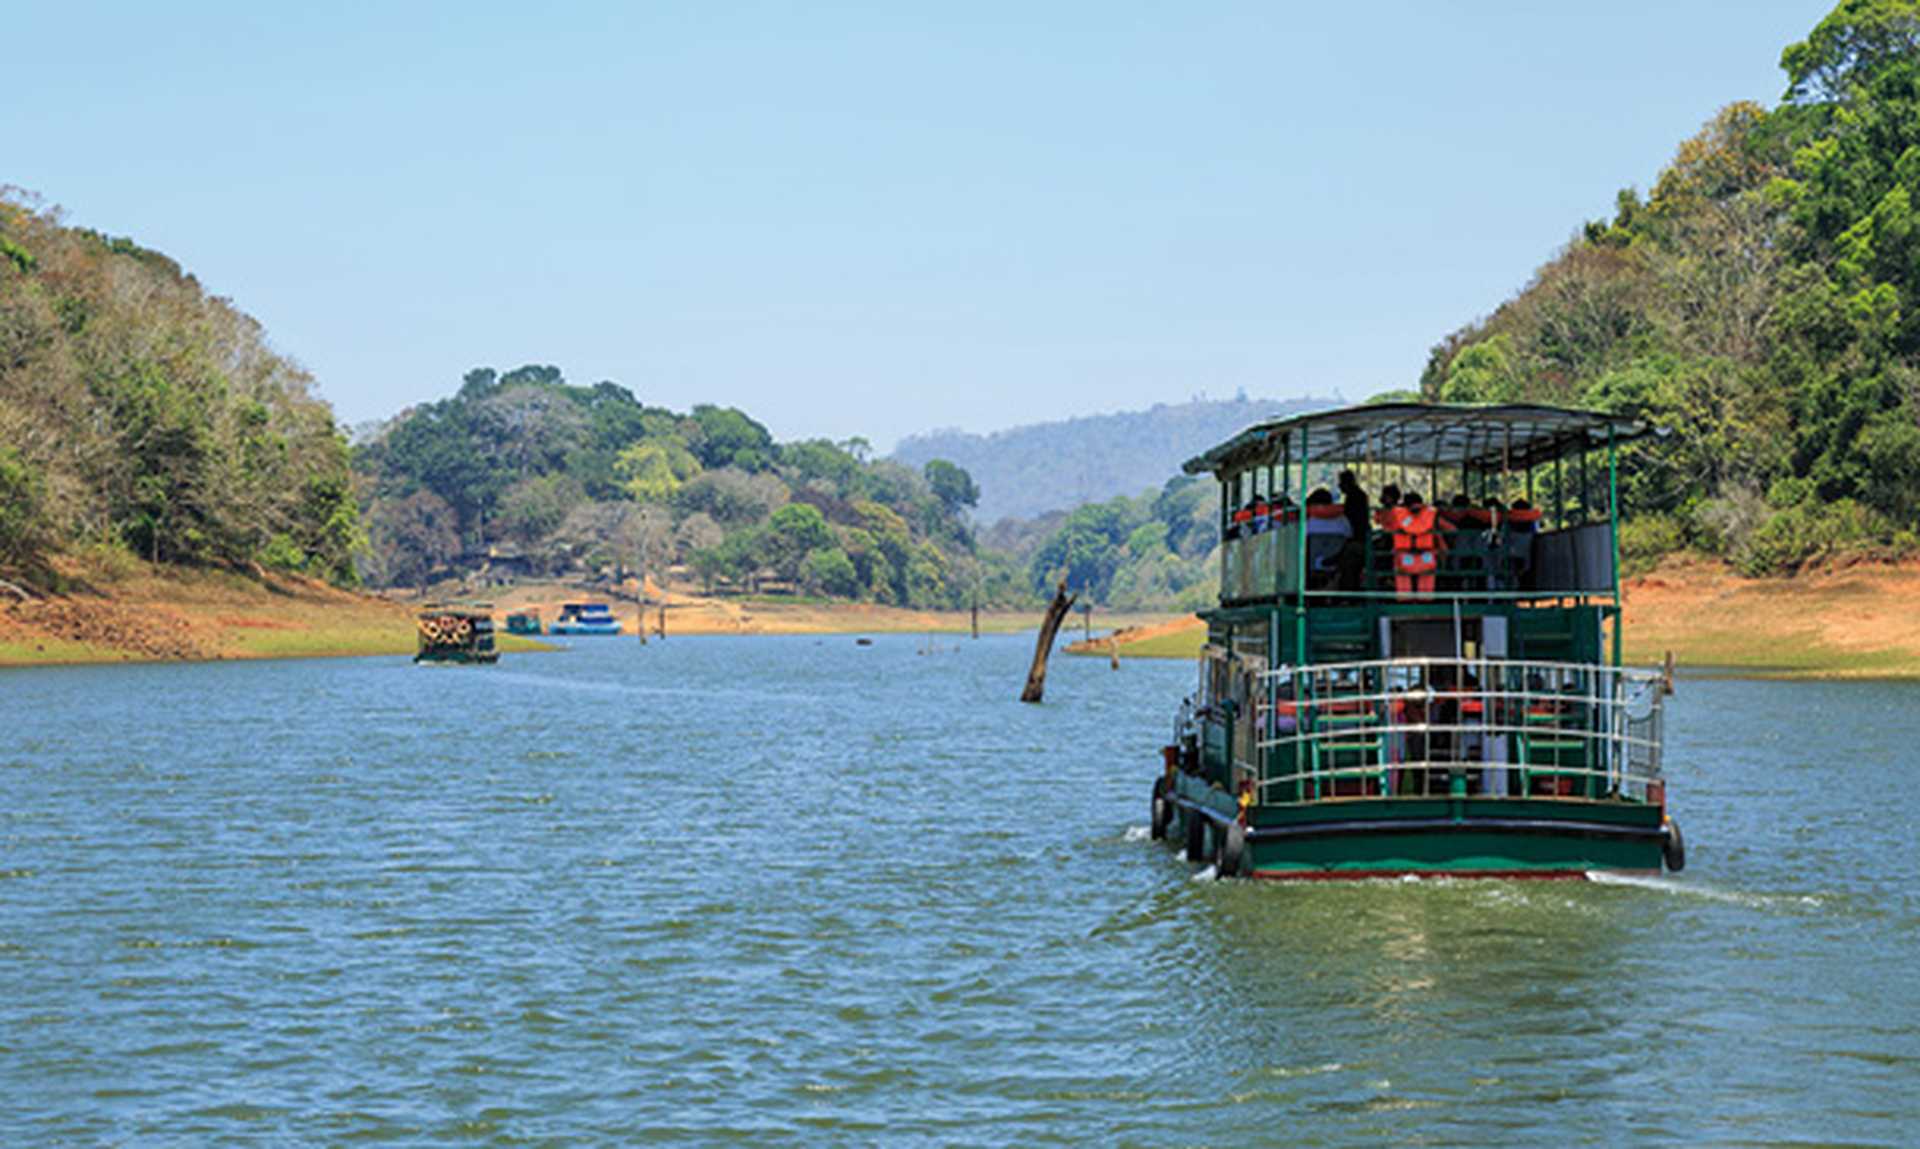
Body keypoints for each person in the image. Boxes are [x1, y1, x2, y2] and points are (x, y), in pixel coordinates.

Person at [1389, 490, 1442, 599]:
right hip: (1426, 559)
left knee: (1402, 578)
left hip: (1405, 559)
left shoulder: (1397, 514)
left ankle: (1404, 606)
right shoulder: (1431, 514)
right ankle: (1426, 605)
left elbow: (1385, 526)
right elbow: (1450, 530)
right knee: (1427, 580)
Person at [1303, 487, 1350, 587]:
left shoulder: (1308, 521)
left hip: (1310, 563)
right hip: (1335, 561)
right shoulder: (1342, 520)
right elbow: (1349, 535)